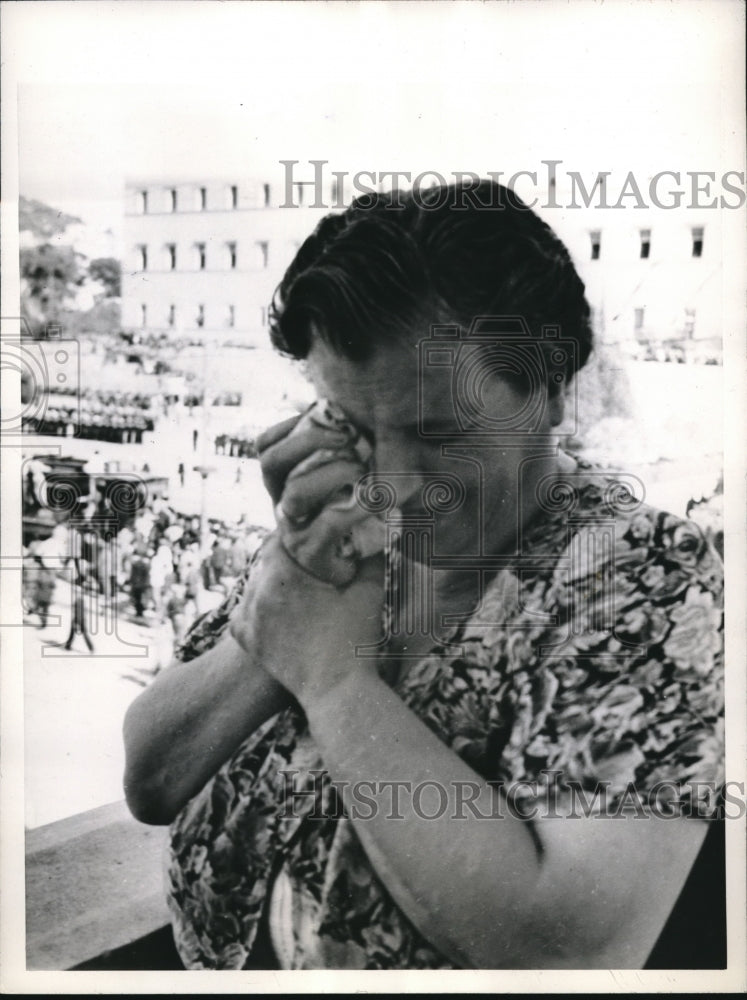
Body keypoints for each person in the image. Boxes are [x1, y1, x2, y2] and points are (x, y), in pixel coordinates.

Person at [123, 180, 724, 971]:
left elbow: (568, 952)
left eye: (439, 433)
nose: (392, 484)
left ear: (549, 393)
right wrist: (295, 584)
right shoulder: (340, 527)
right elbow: (153, 776)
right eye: (353, 428)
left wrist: (335, 681)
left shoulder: (638, 575)